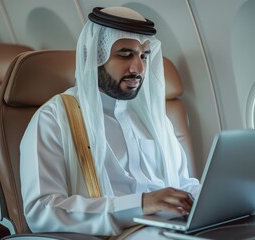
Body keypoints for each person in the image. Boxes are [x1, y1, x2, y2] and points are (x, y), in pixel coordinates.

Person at [19, 6, 200, 237]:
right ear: (93, 56)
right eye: (125, 55)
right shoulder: (55, 118)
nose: (139, 68)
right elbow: (41, 210)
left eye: (144, 56)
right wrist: (141, 204)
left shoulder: (154, 119)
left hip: (170, 227)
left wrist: (221, 196)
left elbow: (182, 183)